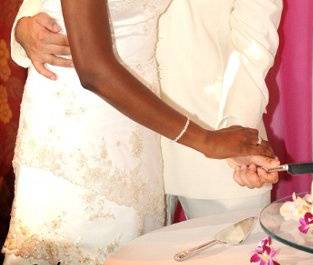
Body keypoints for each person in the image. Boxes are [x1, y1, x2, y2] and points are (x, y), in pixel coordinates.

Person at [2, 1, 280, 265]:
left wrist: (233, 132)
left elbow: (255, 39)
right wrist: (22, 29)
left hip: (211, 132)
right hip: (94, 131)